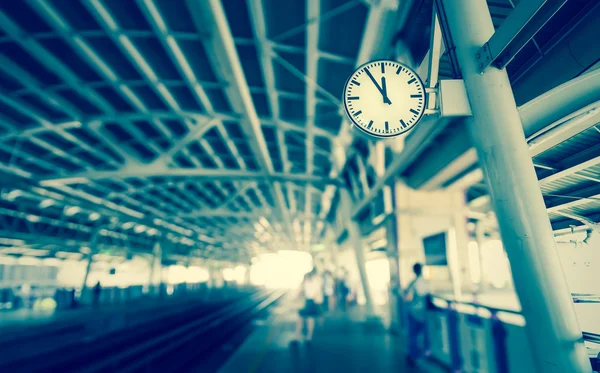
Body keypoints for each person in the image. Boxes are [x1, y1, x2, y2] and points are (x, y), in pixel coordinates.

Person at [404, 263, 430, 367]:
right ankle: (425, 354)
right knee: (424, 335)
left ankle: (414, 355)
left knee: (413, 335)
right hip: (424, 313)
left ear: (414, 271)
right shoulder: (426, 283)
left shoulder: (413, 284)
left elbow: (408, 298)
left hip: (414, 312)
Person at [292, 267, 324, 345]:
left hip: (305, 302)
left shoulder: (306, 280)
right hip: (311, 302)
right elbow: (318, 292)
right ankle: (309, 337)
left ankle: (297, 337)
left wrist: (295, 298)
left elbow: (299, 292)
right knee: (310, 320)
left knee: (300, 320)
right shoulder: (316, 280)